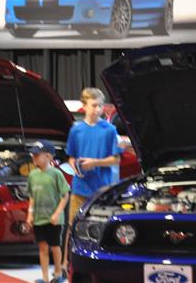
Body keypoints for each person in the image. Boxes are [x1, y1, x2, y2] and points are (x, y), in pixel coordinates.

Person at [63, 87, 121, 267]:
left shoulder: (110, 130)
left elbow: (116, 159)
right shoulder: (76, 130)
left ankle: (103, 265)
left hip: (102, 190)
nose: (98, 109)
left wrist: (95, 162)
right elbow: (71, 156)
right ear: (84, 106)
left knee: (101, 230)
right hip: (80, 188)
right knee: (72, 227)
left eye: (100, 106)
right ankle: (65, 265)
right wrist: (74, 164)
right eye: (94, 105)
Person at [26, 140, 69, 283]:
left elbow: (65, 195)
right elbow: (32, 196)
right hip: (39, 218)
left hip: (54, 219)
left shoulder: (56, 174)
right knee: (42, 247)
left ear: (49, 156)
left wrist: (57, 213)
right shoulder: (32, 175)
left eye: (37, 155)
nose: (34, 158)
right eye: (33, 155)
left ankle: (58, 273)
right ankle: (44, 277)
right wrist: (30, 214)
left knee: (55, 246)